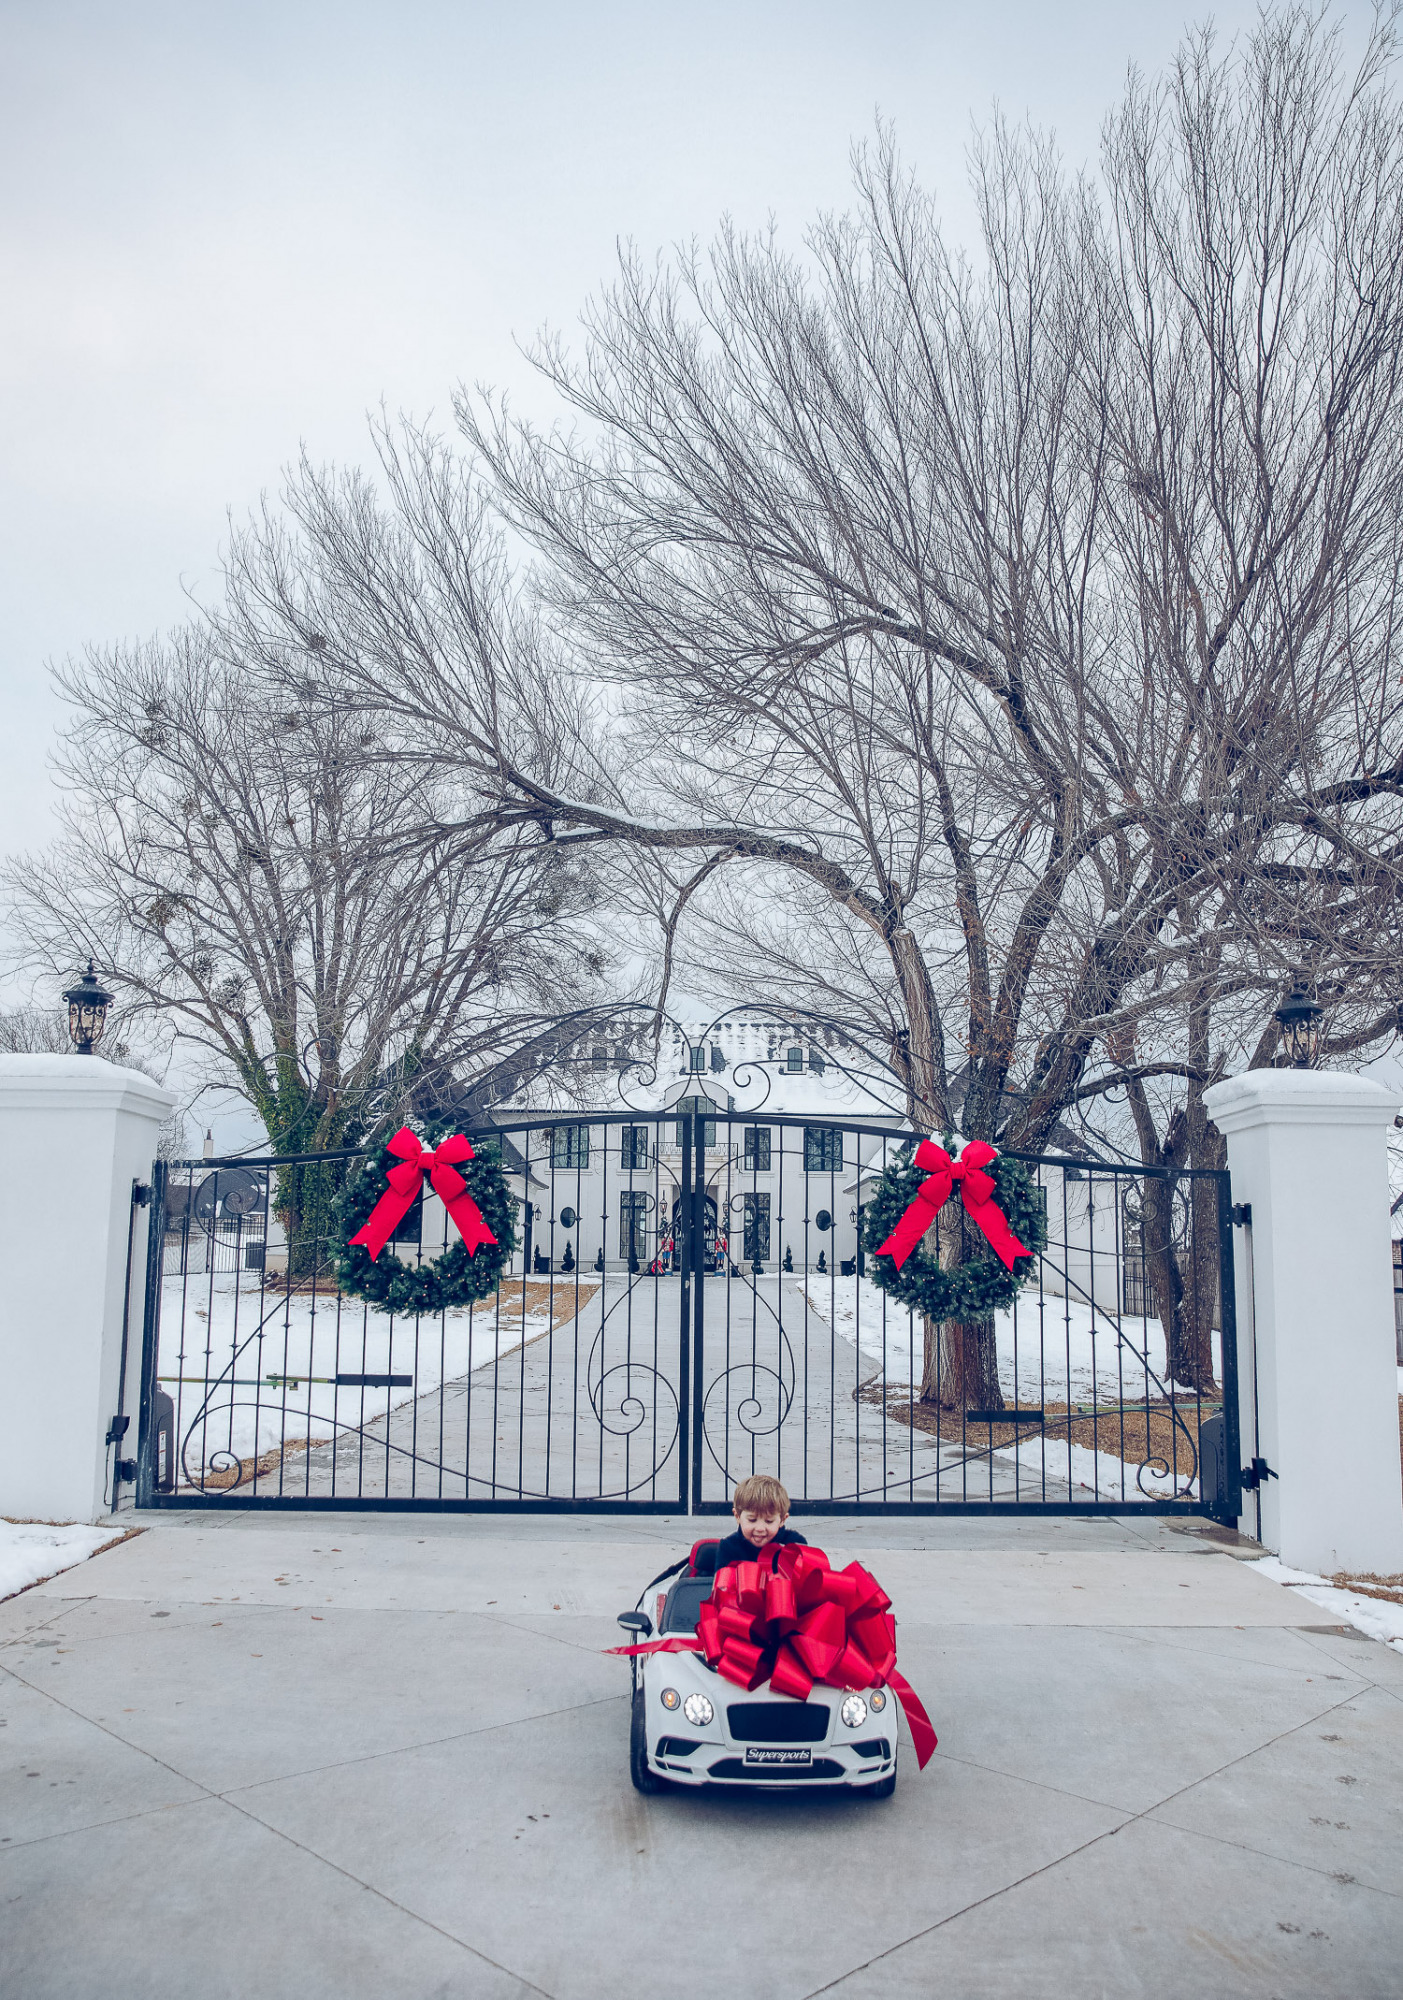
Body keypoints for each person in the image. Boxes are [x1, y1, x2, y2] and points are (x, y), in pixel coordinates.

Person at [709, 1473, 807, 1571]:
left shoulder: (794, 1544)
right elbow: (722, 1584)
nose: (760, 1528)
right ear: (737, 1516)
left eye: (769, 1521)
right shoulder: (728, 1548)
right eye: (752, 1520)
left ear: (782, 1520)